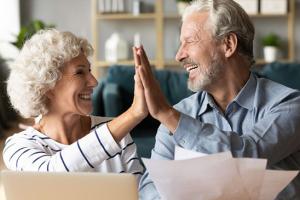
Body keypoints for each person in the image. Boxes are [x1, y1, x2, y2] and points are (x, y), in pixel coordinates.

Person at [134, 0, 300, 199]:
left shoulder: (289, 105)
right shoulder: (180, 115)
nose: (179, 55)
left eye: (190, 41)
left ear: (228, 45)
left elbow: (249, 154)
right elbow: (150, 187)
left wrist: (167, 114)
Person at [3, 29, 147, 179]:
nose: (94, 82)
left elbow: (136, 192)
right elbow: (49, 176)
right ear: (46, 86)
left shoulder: (118, 133)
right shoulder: (19, 146)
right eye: (79, 72)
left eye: (89, 71)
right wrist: (133, 113)